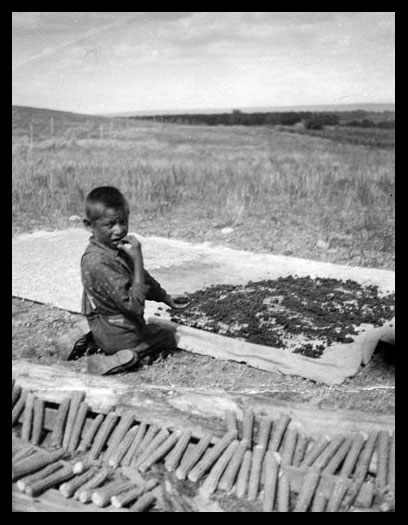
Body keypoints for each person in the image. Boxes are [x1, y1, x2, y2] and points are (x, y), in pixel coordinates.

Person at [79, 186, 189, 375]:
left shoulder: (111, 249)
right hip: (120, 334)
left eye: (123, 222)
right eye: (110, 224)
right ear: (89, 225)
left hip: (104, 324)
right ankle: (124, 356)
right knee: (168, 336)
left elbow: (142, 277)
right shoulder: (98, 262)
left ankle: (84, 336)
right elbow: (134, 307)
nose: (119, 230)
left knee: (147, 327)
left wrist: (165, 297)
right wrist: (138, 260)